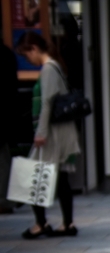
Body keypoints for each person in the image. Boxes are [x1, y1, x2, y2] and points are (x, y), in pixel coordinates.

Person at [14, 32, 80, 239]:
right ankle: (65, 224)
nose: (28, 60)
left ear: (34, 48)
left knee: (33, 175)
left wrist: (40, 133)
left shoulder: (49, 69)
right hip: (58, 132)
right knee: (59, 178)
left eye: (27, 55)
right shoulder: (54, 67)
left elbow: (47, 103)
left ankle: (41, 223)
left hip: (52, 134)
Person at [0, 42, 20, 215]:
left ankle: (4, 200)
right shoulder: (7, 54)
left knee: (3, 160)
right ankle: (5, 200)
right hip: (6, 115)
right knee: (4, 158)